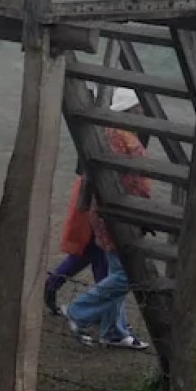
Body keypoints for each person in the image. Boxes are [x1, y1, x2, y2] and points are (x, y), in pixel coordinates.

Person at [61, 87, 151, 351]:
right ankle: (78, 310)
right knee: (126, 274)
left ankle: (113, 330)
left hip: (104, 209)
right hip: (122, 211)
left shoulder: (107, 133)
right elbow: (136, 180)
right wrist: (144, 210)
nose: (142, 110)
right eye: (138, 106)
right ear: (130, 110)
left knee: (116, 269)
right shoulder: (126, 138)